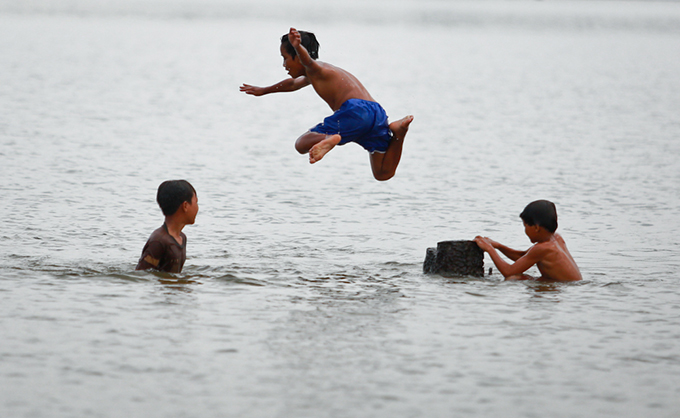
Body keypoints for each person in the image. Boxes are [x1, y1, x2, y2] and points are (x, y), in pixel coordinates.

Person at [240, 27, 414, 181]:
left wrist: (298, 47)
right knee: (383, 173)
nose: (284, 64)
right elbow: (292, 84)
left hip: (355, 112)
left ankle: (330, 138)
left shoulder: (314, 68)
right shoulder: (315, 73)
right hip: (376, 113)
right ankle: (399, 132)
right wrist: (264, 90)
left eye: (285, 58)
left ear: (299, 56)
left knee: (301, 144)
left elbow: (306, 61)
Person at [474, 200, 582, 282]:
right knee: (521, 277)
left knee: (512, 278)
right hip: (569, 284)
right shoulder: (556, 238)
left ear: (536, 228)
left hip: (566, 285)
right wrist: (498, 246)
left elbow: (508, 272)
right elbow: (525, 257)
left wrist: (489, 249)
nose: (525, 230)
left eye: (525, 226)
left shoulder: (542, 248)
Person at [136, 180, 199, 273]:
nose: (197, 207)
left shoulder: (182, 238)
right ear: (185, 206)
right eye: (196, 202)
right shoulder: (158, 241)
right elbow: (141, 274)